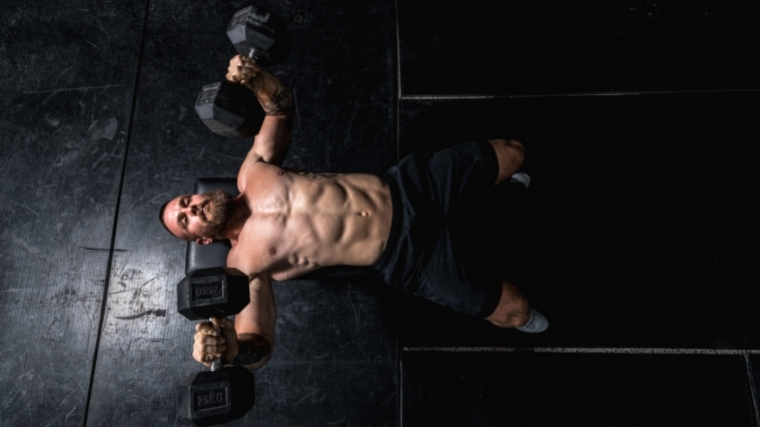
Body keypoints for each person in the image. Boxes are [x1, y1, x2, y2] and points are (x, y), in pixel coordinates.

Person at [159, 55, 548, 371]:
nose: (192, 207)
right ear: (202, 238)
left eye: (185, 202)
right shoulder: (242, 268)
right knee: (516, 313)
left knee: (515, 151)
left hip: (411, 187)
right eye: (186, 219)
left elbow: (281, 109)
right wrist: (231, 350)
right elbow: (260, 344)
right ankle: (489, 205)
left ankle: (491, 191)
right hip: (410, 257)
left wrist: (257, 78)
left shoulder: (253, 171)